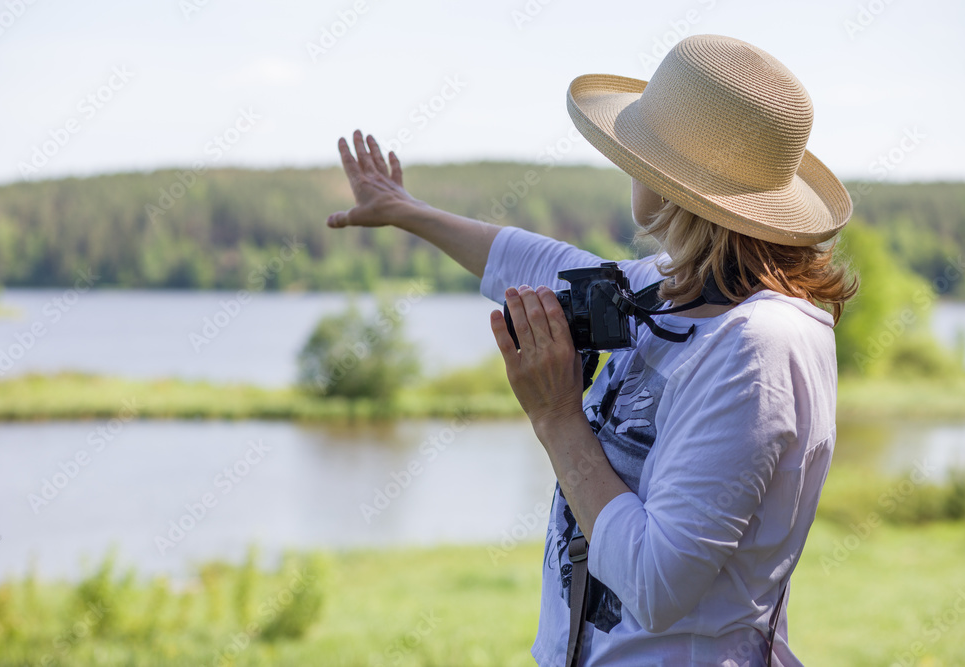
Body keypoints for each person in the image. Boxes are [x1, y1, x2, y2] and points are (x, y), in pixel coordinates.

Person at [327, 33, 857, 667]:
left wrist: (556, 417)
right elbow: (535, 261)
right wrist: (406, 211)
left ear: (669, 187)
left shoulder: (760, 347)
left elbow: (657, 587)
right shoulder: (671, 290)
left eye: (637, 155)